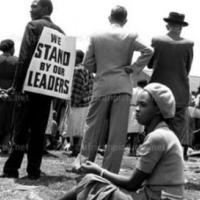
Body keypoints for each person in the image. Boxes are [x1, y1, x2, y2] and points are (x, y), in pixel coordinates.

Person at [58, 83, 185, 200]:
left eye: (143, 105)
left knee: (91, 181)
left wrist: (99, 171)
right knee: (95, 182)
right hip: (158, 196)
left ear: (158, 109)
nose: (137, 109)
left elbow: (132, 184)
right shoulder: (166, 134)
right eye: (137, 104)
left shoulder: (158, 137)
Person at [73, 5, 153, 173]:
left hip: (102, 85)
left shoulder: (96, 36)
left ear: (109, 18)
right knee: (117, 132)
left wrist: (100, 69)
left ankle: (84, 164)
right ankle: (110, 170)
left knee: (92, 126)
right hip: (123, 86)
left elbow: (87, 62)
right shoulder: (131, 36)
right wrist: (133, 68)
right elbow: (148, 50)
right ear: (125, 20)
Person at [1, 0, 64, 180]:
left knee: (21, 129)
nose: (30, 9)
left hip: (28, 87)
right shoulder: (60, 32)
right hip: (47, 89)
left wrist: (18, 85)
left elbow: (25, 56)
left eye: (34, 6)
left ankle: (12, 168)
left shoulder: (33, 26)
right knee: (38, 130)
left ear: (45, 8)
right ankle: (33, 170)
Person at [148, 12, 194, 160]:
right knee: (176, 132)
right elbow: (187, 69)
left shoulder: (156, 41)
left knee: (155, 127)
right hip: (180, 94)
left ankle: (152, 161)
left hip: (157, 93)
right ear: (181, 27)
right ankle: (172, 162)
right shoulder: (188, 44)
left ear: (167, 25)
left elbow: (150, 63)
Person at [63, 49, 94, 156]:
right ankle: (77, 148)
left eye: (74, 56)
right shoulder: (88, 70)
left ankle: (75, 149)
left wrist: (73, 103)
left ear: (79, 58)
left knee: (74, 127)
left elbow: (76, 88)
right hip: (87, 102)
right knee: (80, 128)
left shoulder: (77, 70)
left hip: (78, 103)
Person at [0, 39, 18, 153]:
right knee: (9, 119)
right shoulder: (17, 61)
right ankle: (5, 145)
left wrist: (1, 91)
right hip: (11, 95)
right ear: (11, 48)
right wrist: (9, 90)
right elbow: (19, 79)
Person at [126, 79, 147, 156]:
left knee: (130, 132)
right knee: (136, 133)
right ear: (144, 85)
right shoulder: (144, 92)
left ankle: (130, 150)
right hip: (138, 110)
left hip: (130, 110)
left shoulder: (132, 90)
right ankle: (133, 151)